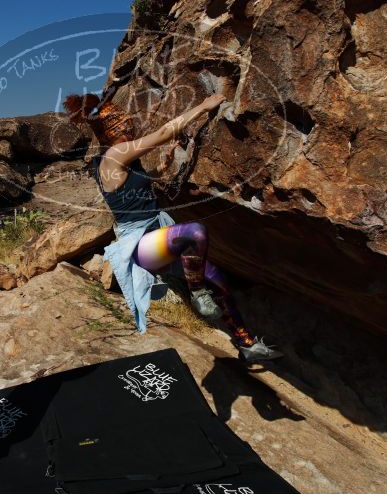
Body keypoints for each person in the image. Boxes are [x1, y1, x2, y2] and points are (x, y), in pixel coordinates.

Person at [63, 93, 283, 363]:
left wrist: (165, 163)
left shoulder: (122, 160)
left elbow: (143, 181)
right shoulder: (114, 154)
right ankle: (197, 293)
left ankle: (245, 342)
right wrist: (203, 106)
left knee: (217, 278)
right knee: (195, 233)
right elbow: (163, 133)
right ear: (114, 131)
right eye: (126, 126)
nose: (131, 128)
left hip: (158, 235)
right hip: (142, 244)